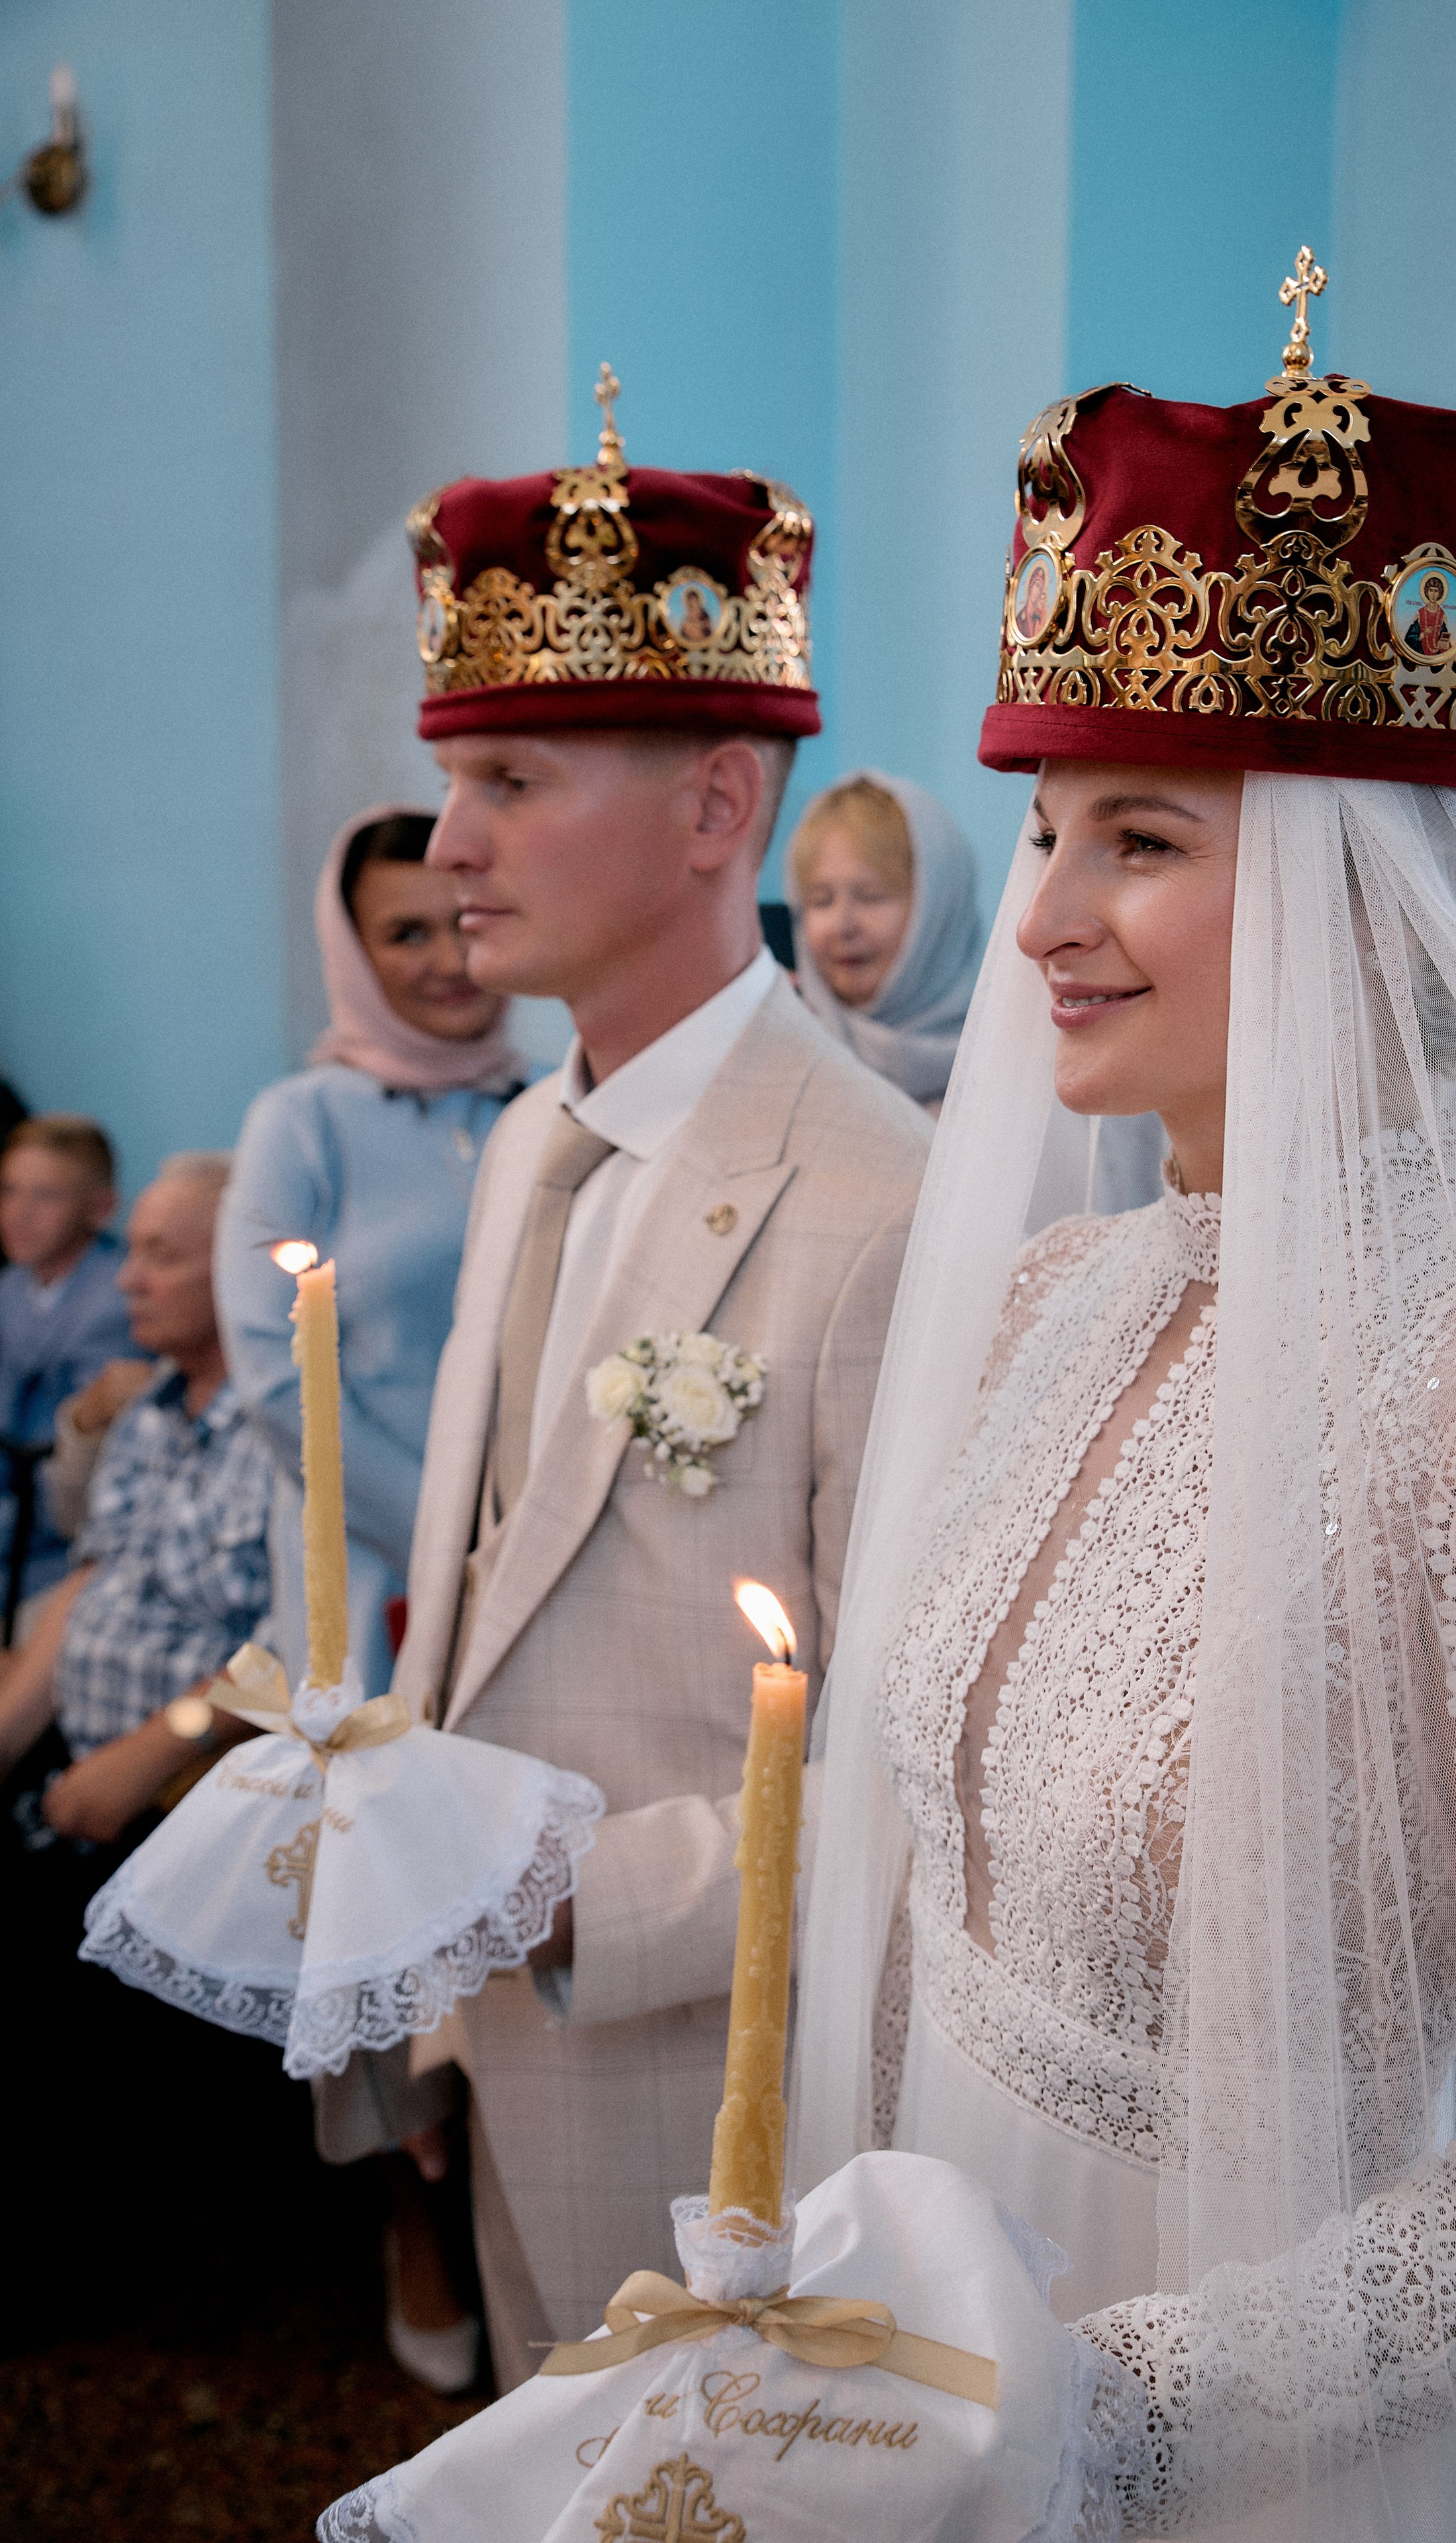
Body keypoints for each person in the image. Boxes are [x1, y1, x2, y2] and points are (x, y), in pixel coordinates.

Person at [794, 277, 1456, 2538]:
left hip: (1271, 2426)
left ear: (1365, 899)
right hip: (929, 2350)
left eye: (1146, 840)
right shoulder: (1047, 1301)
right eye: (1047, 834)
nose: (1046, 923)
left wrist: (1125, 2408)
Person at [353, 375, 930, 2391]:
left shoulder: (881, 1205)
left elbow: (929, 1778)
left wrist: (561, 1901)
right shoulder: (532, 1138)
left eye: (510, 777)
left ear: (713, 810)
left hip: (726, 2098)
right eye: (451, 778)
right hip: (500, 2044)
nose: (445, 845)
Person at [0, 1152, 283, 2336]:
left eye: (164, 1255)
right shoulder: (147, 1414)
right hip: (82, 1754)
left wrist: (145, 1755)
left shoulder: (283, 1432)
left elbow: (290, 1645)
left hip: (197, 1790)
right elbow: (91, 1586)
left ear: (234, 1264)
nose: (131, 1282)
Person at [215, 806, 526, 1709]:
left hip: (541, 1552)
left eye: (464, 923)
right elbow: (276, 1378)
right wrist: (446, 1538)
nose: (448, 960)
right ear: (350, 949)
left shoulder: (555, 1097)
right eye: (405, 934)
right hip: (369, 1558)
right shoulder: (303, 1122)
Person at [0, 1115, 135, 1621]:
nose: (19, 1213)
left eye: (47, 1196)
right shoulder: (11, 1290)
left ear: (100, 1209)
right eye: (9, 1191)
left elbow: (72, 1471)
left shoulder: (119, 1296)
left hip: (57, 1544)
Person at [786, 770, 983, 1113]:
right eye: (821, 900)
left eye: (871, 897)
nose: (843, 925)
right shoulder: (778, 1062)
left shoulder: (1026, 1066)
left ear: (939, 916)